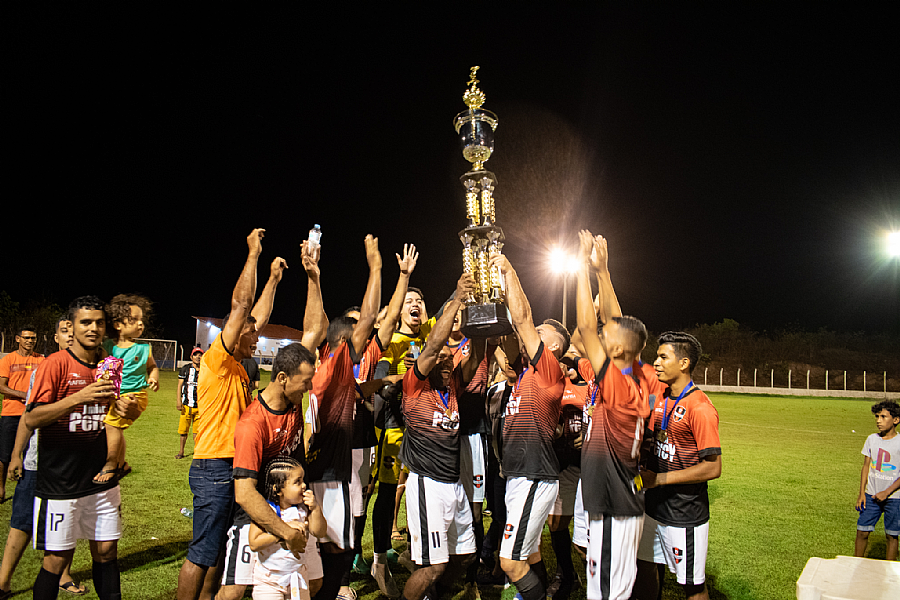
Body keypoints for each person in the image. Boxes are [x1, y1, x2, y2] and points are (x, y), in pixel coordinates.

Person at [176, 229, 286, 600]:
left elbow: (256, 314)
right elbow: (242, 308)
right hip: (213, 467)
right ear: (232, 334)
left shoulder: (240, 368)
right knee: (202, 553)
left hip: (234, 466)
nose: (256, 338)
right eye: (250, 335)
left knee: (220, 553)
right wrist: (253, 256)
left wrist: (273, 279)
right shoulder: (218, 361)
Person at [219, 241, 326, 600]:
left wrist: (314, 276)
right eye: (305, 382)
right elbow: (245, 492)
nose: (309, 388)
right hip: (260, 517)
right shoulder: (253, 424)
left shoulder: (294, 395)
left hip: (292, 509)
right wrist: (284, 530)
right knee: (235, 590)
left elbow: (312, 331)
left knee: (313, 583)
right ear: (282, 379)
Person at [24, 296, 143, 600]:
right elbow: (32, 418)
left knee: (106, 553)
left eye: (99, 322)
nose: (93, 328)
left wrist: (129, 410)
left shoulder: (111, 363)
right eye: (85, 322)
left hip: (101, 481)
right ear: (72, 326)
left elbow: (115, 416)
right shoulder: (56, 364)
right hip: (61, 482)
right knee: (57, 559)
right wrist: (79, 397)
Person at [573, 230, 654, 600]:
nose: (603, 335)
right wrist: (603, 272)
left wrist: (580, 265)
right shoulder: (635, 376)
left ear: (619, 348)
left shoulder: (619, 388)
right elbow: (616, 321)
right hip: (615, 500)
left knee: (607, 594)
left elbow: (589, 326)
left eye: (611, 337)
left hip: (613, 504)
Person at [398, 272, 486, 600]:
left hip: (453, 483)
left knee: (464, 555)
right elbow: (435, 343)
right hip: (428, 485)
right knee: (431, 567)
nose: (448, 362)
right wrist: (459, 298)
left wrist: (480, 314)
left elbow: (475, 356)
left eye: (451, 359)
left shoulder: (451, 386)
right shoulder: (415, 383)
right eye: (442, 359)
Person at [306, 234, 384, 600]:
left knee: (323, 545)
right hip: (329, 474)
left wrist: (314, 277)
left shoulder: (316, 367)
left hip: (314, 469)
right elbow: (368, 317)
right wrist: (376, 266)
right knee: (336, 548)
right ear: (343, 345)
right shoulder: (337, 368)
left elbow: (312, 325)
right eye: (359, 340)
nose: (365, 342)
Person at [488, 253, 568, 600]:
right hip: (520, 474)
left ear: (551, 347)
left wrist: (508, 269)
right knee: (530, 552)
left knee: (510, 562)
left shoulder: (548, 369)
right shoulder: (523, 376)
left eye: (539, 334)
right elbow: (504, 335)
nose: (529, 336)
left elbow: (521, 319)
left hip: (534, 475)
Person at [0, 318, 85, 598]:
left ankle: (63, 574)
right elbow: (28, 416)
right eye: (65, 332)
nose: (71, 337)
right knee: (22, 520)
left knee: (67, 523)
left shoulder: (91, 372)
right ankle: (3, 581)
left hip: (73, 463)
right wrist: (16, 455)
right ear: (56, 338)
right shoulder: (45, 369)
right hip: (39, 460)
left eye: (74, 332)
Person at [634, 332, 722, 600]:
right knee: (644, 563)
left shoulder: (700, 407)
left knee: (692, 586)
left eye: (663, 357)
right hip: (653, 505)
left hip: (684, 512)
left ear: (683, 363)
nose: (656, 363)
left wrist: (660, 479)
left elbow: (713, 468)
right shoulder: (660, 397)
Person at [95, 294, 159, 483]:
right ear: (117, 325)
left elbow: (152, 367)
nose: (140, 324)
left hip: (135, 394)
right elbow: (103, 367)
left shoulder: (143, 349)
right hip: (114, 394)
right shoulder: (107, 346)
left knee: (112, 425)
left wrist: (154, 378)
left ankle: (111, 463)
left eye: (141, 320)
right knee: (117, 427)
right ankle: (122, 463)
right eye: (134, 320)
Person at [248, 457, 327, 600]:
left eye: (303, 480)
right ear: (278, 489)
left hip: (297, 578)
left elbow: (319, 532)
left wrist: (315, 509)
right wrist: (284, 531)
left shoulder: (303, 509)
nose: (303, 486)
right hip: (269, 582)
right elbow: (254, 543)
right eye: (297, 482)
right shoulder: (266, 511)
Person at [0, 324, 44, 501]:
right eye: (26, 337)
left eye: (33, 338)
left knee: (31, 454)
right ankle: (1, 489)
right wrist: (23, 395)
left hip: (33, 415)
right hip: (11, 413)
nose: (30, 341)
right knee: (4, 454)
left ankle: (26, 488)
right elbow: (2, 387)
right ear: (18, 339)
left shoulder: (41, 360)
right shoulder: (8, 360)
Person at [854, 399, 900, 561]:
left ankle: (889, 571)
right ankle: (855, 564)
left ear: (895, 420)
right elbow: (866, 466)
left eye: (883, 417)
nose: (878, 421)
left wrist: (887, 492)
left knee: (892, 536)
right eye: (877, 417)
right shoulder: (872, 439)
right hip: (870, 496)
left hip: (894, 498)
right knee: (862, 532)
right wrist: (861, 493)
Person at [176, 347, 203, 460]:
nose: (198, 357)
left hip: (200, 406)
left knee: (197, 432)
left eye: (200, 355)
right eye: (195, 355)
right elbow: (179, 385)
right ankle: (181, 451)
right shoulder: (185, 369)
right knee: (183, 431)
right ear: (191, 357)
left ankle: (196, 452)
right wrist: (178, 400)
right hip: (186, 405)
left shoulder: (205, 370)